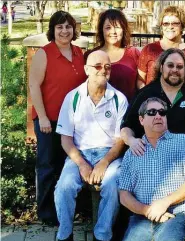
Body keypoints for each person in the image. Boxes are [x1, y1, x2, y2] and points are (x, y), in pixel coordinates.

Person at [54, 50, 128, 241]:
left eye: (107, 67)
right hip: (79, 153)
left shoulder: (119, 99)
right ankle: (64, 235)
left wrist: (104, 163)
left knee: (113, 184)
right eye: (97, 66)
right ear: (87, 69)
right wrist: (81, 164)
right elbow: (66, 139)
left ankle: (102, 236)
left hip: (109, 154)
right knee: (64, 186)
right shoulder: (73, 97)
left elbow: (120, 140)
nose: (103, 70)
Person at [119, 97, 185, 241]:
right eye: (152, 112)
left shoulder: (183, 142)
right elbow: (124, 195)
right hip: (142, 217)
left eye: (162, 112)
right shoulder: (132, 152)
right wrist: (147, 210)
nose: (158, 116)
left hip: (176, 214)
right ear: (141, 120)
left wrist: (165, 202)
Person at [28, 10, 86, 226]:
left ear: (74, 30)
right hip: (49, 120)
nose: (64, 31)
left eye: (68, 26)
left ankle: (69, 211)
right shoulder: (45, 53)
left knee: (68, 166)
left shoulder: (80, 53)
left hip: (73, 122)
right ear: (52, 30)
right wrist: (42, 117)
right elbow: (34, 85)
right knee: (47, 166)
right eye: (59, 27)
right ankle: (47, 214)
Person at [138, 5, 185, 86]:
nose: (170, 27)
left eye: (175, 23)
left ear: (182, 26)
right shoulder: (149, 49)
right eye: (166, 24)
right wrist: (146, 95)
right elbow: (140, 80)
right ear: (161, 26)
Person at [84, 9, 141, 101]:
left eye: (117, 27)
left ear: (124, 29)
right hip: (98, 109)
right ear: (101, 30)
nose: (113, 32)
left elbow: (141, 83)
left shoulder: (133, 54)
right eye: (108, 27)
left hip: (128, 110)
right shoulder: (91, 55)